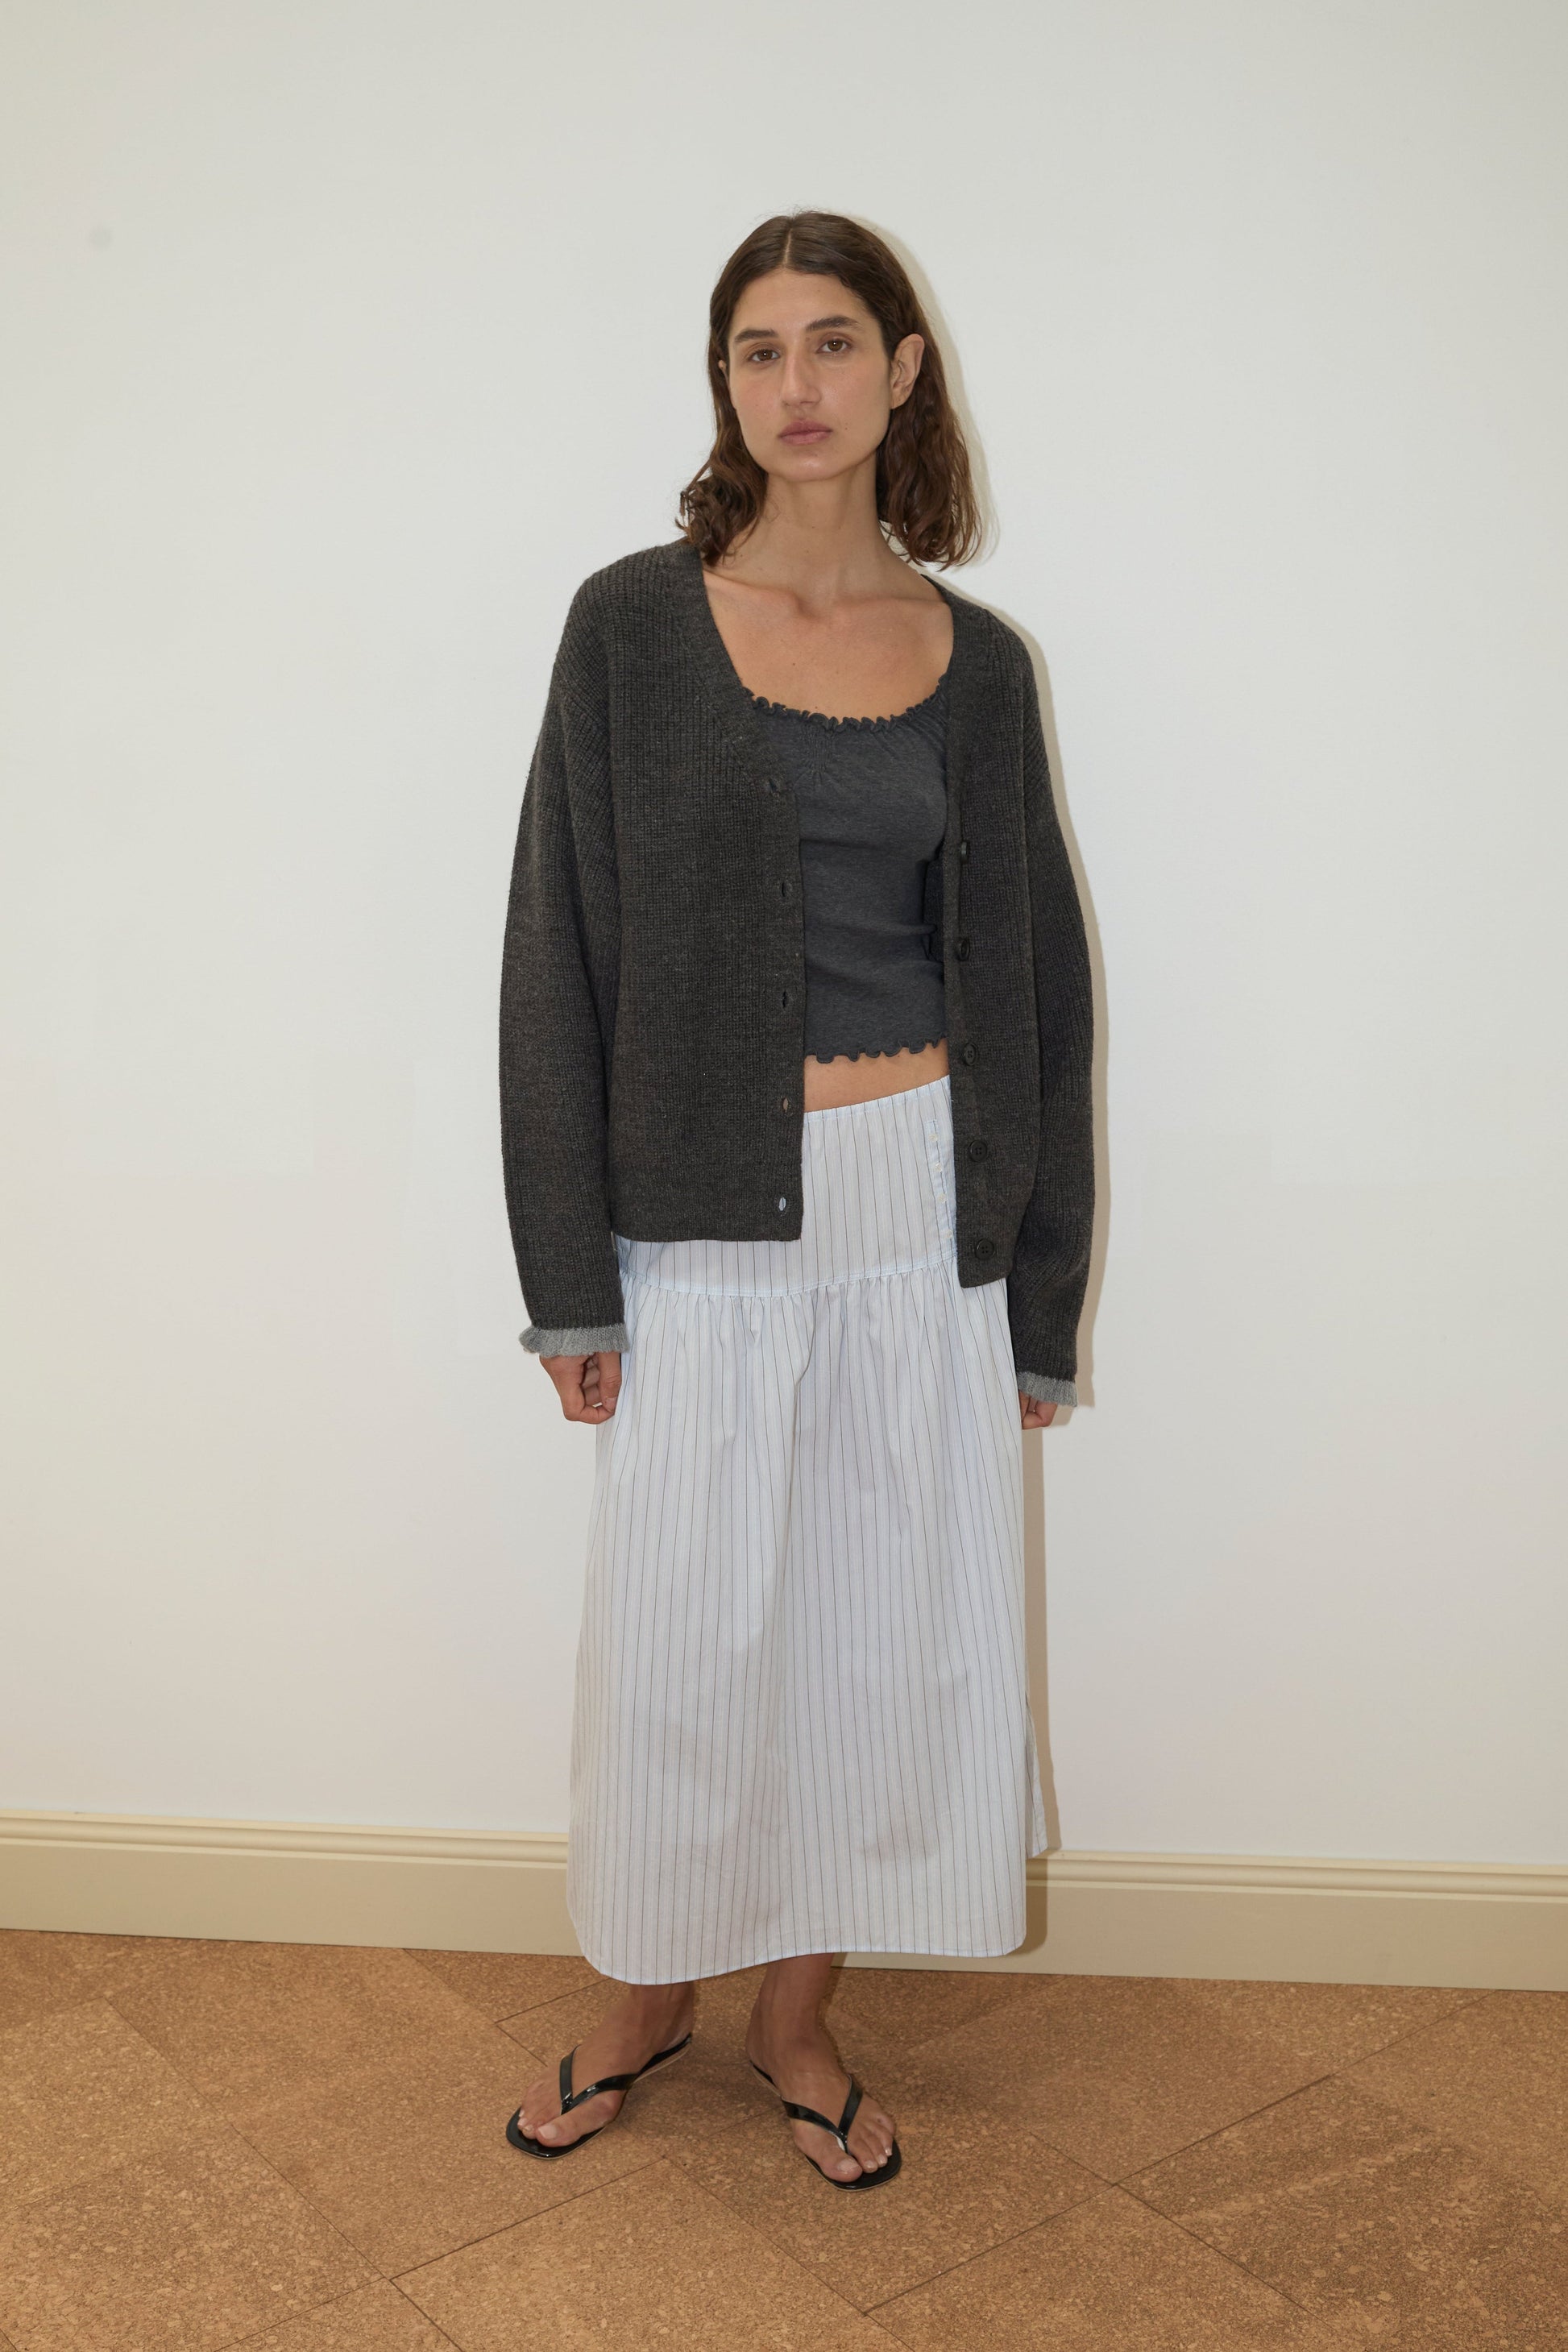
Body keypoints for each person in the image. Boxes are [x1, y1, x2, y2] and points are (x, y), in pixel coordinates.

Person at [498, 209, 1094, 2188]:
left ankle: (795, 2012)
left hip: (915, 1210)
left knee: (871, 1633)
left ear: (903, 371)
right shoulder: (630, 627)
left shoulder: (973, 663)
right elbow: (552, 959)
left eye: (834, 340)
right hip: (696, 1222)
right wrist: (568, 1281)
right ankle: (641, 1990)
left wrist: (1034, 1288)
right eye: (758, 349)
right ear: (727, 385)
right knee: (678, 1637)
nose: (798, 382)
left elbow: (1033, 984)